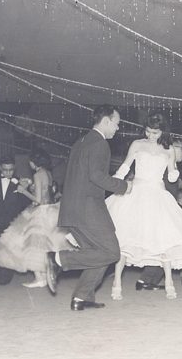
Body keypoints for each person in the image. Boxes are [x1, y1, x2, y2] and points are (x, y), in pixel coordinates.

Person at [106, 114, 182, 300]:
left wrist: (174, 172)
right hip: (137, 193)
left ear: (162, 132)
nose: (151, 135)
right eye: (148, 131)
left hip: (158, 195)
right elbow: (125, 166)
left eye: (155, 132)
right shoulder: (137, 144)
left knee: (163, 239)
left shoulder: (169, 150)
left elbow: (172, 172)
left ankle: (169, 283)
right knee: (124, 238)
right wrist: (115, 183)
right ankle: (116, 283)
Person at [46, 104, 132, 311]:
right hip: (88, 208)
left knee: (99, 251)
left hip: (73, 208)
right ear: (106, 121)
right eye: (117, 123)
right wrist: (123, 186)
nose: (118, 128)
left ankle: (82, 297)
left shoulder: (82, 141)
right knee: (112, 252)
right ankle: (58, 259)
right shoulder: (100, 143)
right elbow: (96, 176)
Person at [0, 149, 72, 288]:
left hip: (41, 213)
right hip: (51, 210)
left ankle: (39, 278)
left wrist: (24, 191)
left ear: (34, 162)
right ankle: (44, 276)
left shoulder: (38, 174)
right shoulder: (48, 173)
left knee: (33, 246)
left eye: (30, 162)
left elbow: (38, 200)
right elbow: (48, 194)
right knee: (45, 246)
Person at [136, 139, 182, 290]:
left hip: (168, 208)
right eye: (181, 148)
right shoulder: (163, 163)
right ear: (173, 148)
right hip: (163, 209)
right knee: (179, 241)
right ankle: (148, 280)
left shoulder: (170, 165)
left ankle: (149, 280)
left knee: (176, 242)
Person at [0, 155, 30, 285]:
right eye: (5, 170)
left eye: (11, 170)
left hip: (12, 223)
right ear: (0, 168)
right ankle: (2, 273)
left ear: (14, 168)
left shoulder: (20, 182)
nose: (8, 172)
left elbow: (25, 203)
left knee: (9, 250)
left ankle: (6, 275)